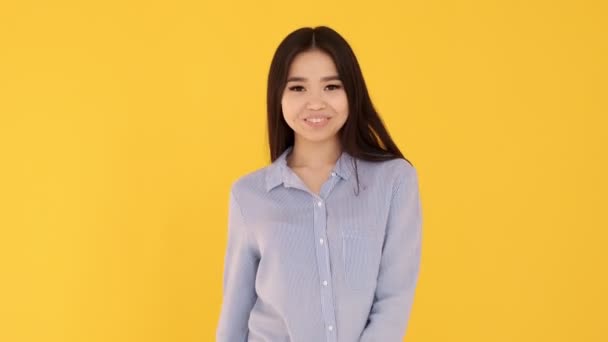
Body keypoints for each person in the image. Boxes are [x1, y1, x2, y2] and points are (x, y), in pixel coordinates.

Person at [216, 26, 423, 342]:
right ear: (278, 96)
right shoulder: (249, 195)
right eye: (298, 88)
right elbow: (234, 316)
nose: (315, 103)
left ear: (351, 92)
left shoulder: (394, 181)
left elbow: (393, 301)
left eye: (331, 86)